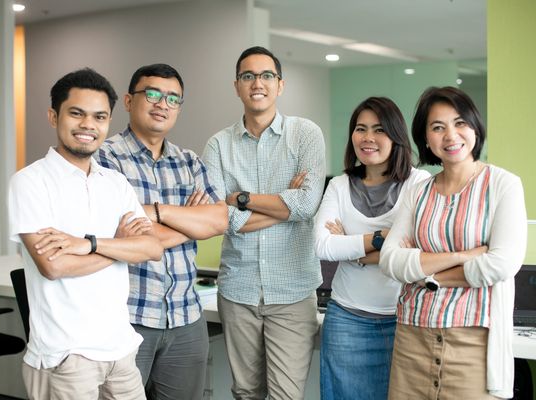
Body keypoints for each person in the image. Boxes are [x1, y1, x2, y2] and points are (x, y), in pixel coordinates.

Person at [8, 68, 164, 400]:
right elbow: (54, 267)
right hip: (66, 355)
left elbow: (151, 247)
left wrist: (88, 244)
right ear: (54, 116)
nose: (88, 125)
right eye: (76, 113)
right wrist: (121, 246)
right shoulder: (31, 182)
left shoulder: (115, 183)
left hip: (120, 350)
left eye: (99, 116)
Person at [380, 86, 527, 399]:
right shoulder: (417, 191)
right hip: (412, 336)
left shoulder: (503, 185)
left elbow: (500, 264)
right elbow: (390, 260)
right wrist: (465, 255)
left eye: (460, 123)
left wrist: (427, 277)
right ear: (426, 139)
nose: (451, 135)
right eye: (437, 127)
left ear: (475, 127)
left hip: (474, 341)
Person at [94, 63, 228, 399]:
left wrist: (158, 214)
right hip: (127, 317)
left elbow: (218, 221)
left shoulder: (190, 162)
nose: (162, 103)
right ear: (128, 100)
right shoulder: (105, 159)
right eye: (152, 93)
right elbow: (113, 235)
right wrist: (190, 221)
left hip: (186, 317)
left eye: (172, 98)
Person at [202, 46, 326, 399]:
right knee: (245, 392)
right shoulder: (218, 145)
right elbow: (216, 218)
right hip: (238, 290)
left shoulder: (304, 135)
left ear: (280, 85)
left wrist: (240, 198)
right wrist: (282, 201)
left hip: (292, 291)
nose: (258, 83)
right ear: (237, 86)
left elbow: (305, 205)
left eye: (266, 75)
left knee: (285, 395)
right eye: (248, 76)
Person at [314, 97, 430, 400]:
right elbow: (322, 246)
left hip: (402, 318)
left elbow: (420, 249)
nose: (368, 138)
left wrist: (352, 250)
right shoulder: (339, 185)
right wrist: (382, 238)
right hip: (346, 320)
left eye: (379, 130)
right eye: (360, 129)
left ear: (396, 136)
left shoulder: (418, 182)